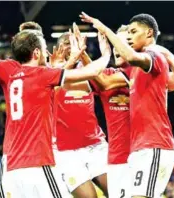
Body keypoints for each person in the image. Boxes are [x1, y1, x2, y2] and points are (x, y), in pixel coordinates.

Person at [0, 29, 111, 198]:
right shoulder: (43, 74)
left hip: (9, 165)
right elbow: (93, 71)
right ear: (37, 53)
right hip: (38, 162)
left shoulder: (7, 70)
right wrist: (106, 53)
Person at [80, 12, 174, 198]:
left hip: (153, 145)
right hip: (135, 151)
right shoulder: (134, 72)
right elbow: (102, 82)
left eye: (133, 33)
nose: (128, 39)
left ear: (148, 33)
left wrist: (105, 30)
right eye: (127, 35)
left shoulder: (151, 57)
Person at [50, 26, 109, 198]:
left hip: (95, 145)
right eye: (67, 43)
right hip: (65, 152)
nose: (71, 46)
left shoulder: (88, 70)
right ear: (58, 48)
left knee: (118, 192)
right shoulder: (48, 71)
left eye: (74, 42)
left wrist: (83, 54)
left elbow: (104, 80)